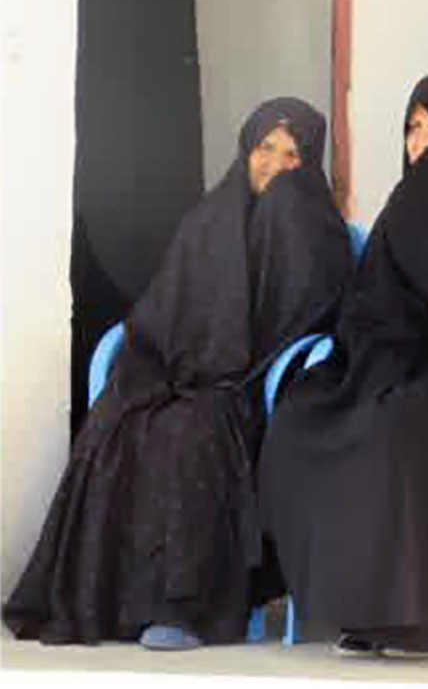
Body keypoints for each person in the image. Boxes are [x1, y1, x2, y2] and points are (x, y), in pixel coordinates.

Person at [2, 99, 354, 648]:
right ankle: (102, 602)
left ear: (309, 164)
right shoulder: (212, 216)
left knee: (190, 431)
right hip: (184, 369)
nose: (275, 165)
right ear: (246, 149)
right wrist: (168, 359)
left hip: (251, 387)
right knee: (119, 418)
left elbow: (302, 317)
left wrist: (221, 365)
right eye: (265, 148)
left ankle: (183, 610)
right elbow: (166, 303)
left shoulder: (315, 229)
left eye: (293, 155)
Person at [258, 73, 428, 659]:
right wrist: (382, 354)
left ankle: (415, 620)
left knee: (401, 426)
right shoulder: (406, 206)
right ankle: (353, 608)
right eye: (412, 129)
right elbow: (371, 303)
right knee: (305, 418)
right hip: (390, 361)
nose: (421, 144)